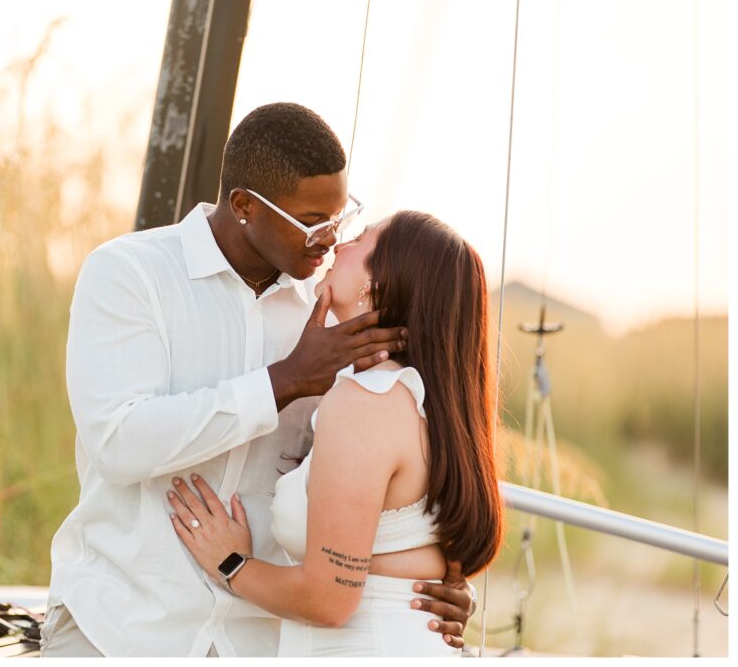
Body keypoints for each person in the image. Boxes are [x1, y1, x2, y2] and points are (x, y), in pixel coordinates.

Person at [40, 103, 474, 657]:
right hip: (120, 626)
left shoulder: (336, 311)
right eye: (313, 222)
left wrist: (443, 583)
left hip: (261, 640)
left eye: (340, 218)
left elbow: (400, 467)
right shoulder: (129, 274)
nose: (330, 238)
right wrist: (283, 382)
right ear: (244, 206)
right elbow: (118, 443)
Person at [167, 210, 503, 656]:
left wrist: (232, 564)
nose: (340, 244)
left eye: (361, 239)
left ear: (378, 282)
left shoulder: (367, 401)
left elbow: (330, 600)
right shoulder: (421, 401)